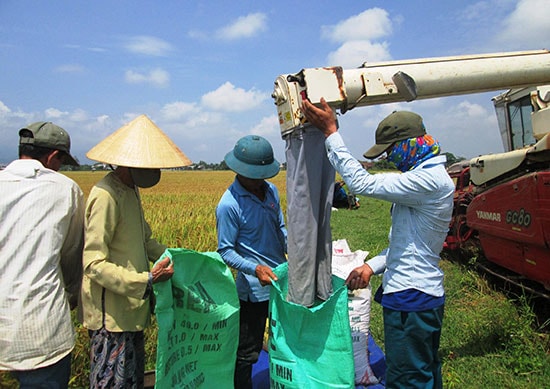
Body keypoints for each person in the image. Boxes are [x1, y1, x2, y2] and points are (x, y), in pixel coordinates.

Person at [302, 98, 454, 389]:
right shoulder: (427, 178)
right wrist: (370, 267)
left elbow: (362, 183)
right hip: (422, 295)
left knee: (408, 378)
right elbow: (408, 246)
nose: (390, 158)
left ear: (407, 144)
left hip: (411, 298)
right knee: (424, 370)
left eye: (391, 151)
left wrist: (331, 131)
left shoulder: (428, 181)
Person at [79, 114, 192, 388]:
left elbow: (146, 241)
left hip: (131, 312)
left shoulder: (129, 190)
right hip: (112, 319)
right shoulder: (106, 195)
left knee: (131, 381)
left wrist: (184, 258)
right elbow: (93, 264)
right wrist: (147, 280)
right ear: (130, 164)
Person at [0, 122, 84, 388]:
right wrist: (71, 295)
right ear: (52, 157)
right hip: (41, 330)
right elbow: (72, 256)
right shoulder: (66, 189)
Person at [215, 135, 287, 389]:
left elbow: (279, 228)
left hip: (280, 283)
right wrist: (255, 269)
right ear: (239, 170)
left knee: (284, 341)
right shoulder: (229, 205)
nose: (260, 181)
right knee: (248, 351)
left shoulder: (271, 191)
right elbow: (225, 251)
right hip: (252, 291)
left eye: (263, 175)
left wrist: (298, 251)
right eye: (254, 175)